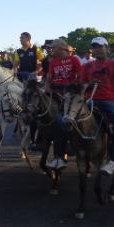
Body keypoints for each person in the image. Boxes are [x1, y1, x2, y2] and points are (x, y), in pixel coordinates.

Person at [80, 37, 114, 175]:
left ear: (106, 48)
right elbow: (82, 86)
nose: (97, 49)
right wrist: (90, 84)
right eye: (94, 47)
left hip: (109, 101)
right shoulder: (87, 66)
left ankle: (113, 160)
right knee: (69, 117)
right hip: (90, 101)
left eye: (100, 47)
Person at [44, 39, 82, 169]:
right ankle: (37, 139)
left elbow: (80, 77)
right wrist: (48, 88)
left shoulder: (74, 60)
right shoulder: (53, 62)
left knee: (60, 120)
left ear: (60, 49)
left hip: (70, 92)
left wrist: (71, 92)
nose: (51, 50)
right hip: (55, 92)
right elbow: (49, 78)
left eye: (53, 48)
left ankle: (59, 156)